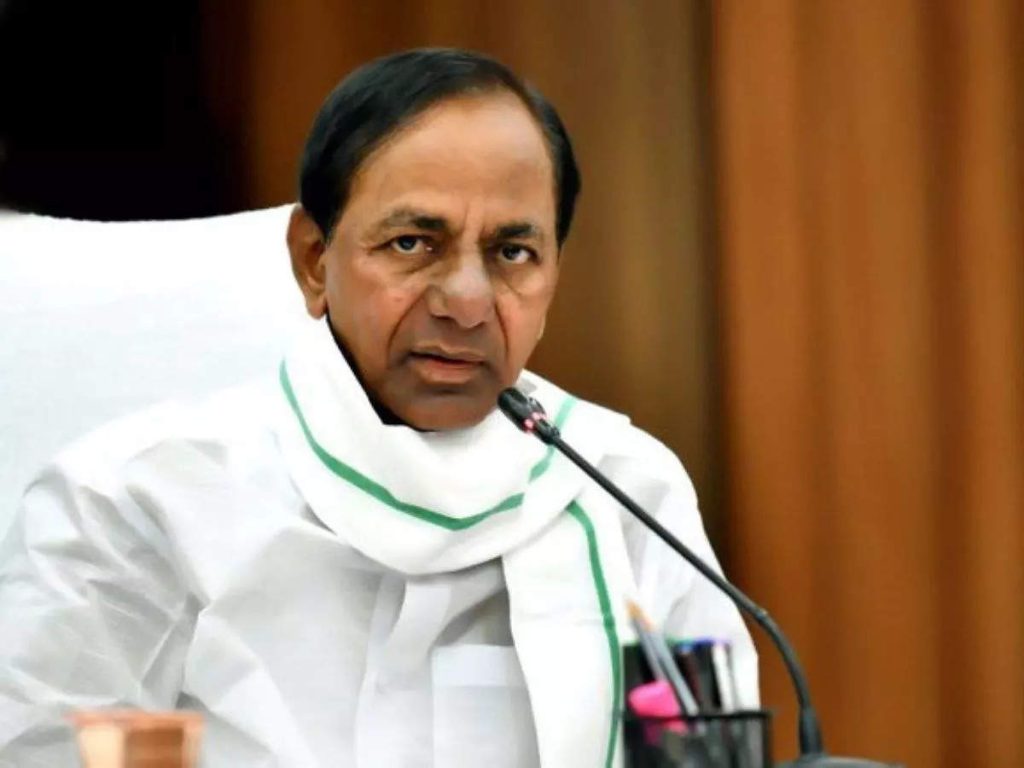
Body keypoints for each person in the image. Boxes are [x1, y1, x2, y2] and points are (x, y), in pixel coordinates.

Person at [0, 48, 756, 767]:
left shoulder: (626, 492)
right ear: (313, 261)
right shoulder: (141, 498)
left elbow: (714, 757)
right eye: (413, 244)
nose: (466, 303)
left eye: (512, 254)